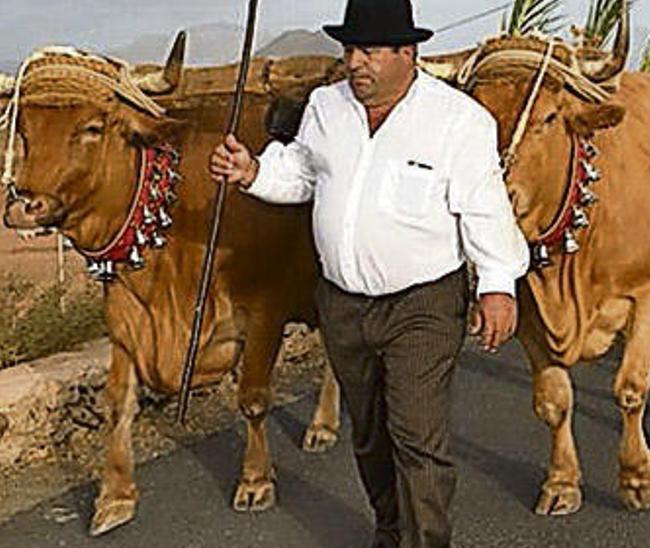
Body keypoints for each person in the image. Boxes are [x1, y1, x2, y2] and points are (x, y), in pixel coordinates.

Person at [208, 0, 530, 545]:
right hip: (343, 304)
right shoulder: (325, 107)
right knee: (370, 436)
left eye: (371, 50)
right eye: (351, 49)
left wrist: (498, 283)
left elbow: (484, 207)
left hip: (423, 305)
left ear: (408, 53)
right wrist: (254, 171)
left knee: (415, 436)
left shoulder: (456, 120)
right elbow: (303, 173)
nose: (356, 62)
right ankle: (390, 529)